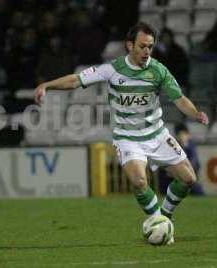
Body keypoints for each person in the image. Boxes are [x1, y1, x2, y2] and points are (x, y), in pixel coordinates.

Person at [34, 22, 209, 244]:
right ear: (130, 45)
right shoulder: (112, 69)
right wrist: (47, 85)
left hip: (157, 134)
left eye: (150, 47)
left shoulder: (158, 70)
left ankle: (164, 218)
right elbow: (75, 80)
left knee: (188, 179)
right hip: (128, 138)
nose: (147, 51)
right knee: (139, 181)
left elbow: (179, 99)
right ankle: (157, 221)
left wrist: (196, 114)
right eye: (142, 46)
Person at [158, 123, 204, 196]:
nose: (182, 137)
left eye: (184, 134)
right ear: (176, 136)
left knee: (198, 190)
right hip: (170, 180)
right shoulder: (171, 146)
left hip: (187, 178)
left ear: (188, 135)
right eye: (180, 134)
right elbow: (163, 167)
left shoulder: (191, 147)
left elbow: (195, 164)